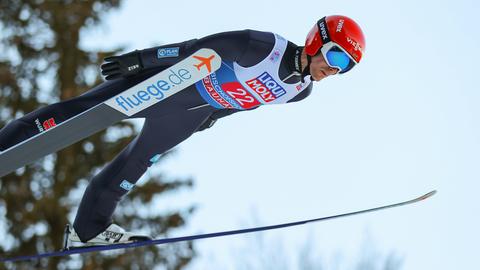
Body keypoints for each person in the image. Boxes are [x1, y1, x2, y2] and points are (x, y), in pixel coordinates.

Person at [0, 15, 365, 245]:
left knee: (137, 164)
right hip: (170, 85)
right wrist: (140, 59)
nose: (334, 69)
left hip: (191, 112)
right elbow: (197, 50)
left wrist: (212, 118)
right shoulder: (263, 46)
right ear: (317, 41)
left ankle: (88, 229)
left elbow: (247, 101)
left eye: (345, 67)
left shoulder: (299, 92)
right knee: (79, 111)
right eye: (335, 57)